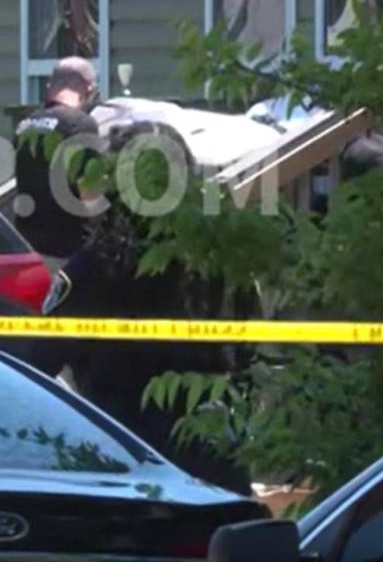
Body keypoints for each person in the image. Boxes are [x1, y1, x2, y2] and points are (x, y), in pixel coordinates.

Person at [31, 121, 257, 494]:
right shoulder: (224, 265)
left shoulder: (91, 270)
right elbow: (250, 353)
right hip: (214, 463)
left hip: (121, 461)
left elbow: (38, 365)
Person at [13, 57, 102, 263]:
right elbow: (89, 192)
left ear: (49, 86)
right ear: (88, 88)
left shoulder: (26, 125)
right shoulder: (81, 124)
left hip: (29, 247)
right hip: (66, 250)